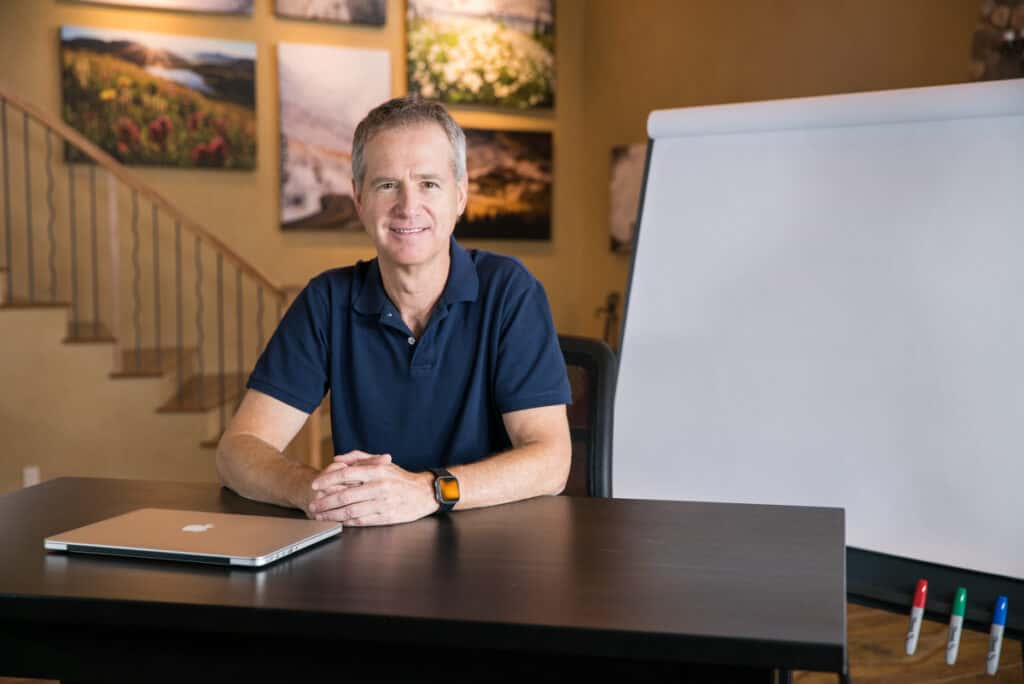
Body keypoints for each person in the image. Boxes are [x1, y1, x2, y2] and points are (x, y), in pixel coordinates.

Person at [216, 96, 571, 526]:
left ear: (459, 197)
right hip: (369, 552)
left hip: (493, 551)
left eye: (428, 184)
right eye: (387, 184)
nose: (407, 205)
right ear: (359, 199)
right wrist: (308, 489)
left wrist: (427, 490)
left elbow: (552, 461)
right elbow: (238, 449)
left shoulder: (509, 291)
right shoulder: (327, 300)